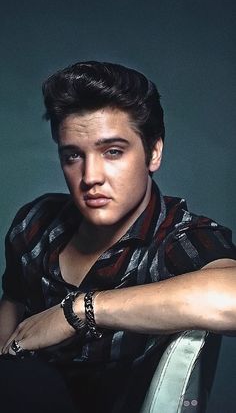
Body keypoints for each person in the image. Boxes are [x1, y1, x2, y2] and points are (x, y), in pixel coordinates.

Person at [0, 61, 235, 413]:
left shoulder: (175, 238)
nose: (90, 176)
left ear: (153, 152)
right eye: (73, 155)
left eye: (113, 151)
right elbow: (9, 316)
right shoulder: (35, 224)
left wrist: (79, 310)